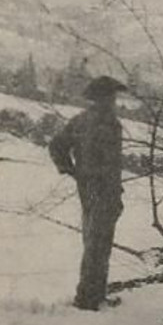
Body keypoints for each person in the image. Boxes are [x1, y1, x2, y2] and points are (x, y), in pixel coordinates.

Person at [49, 76, 127, 310]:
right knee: (98, 243)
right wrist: (72, 170)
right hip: (101, 189)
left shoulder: (80, 121)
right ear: (103, 98)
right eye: (111, 96)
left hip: (92, 188)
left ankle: (93, 296)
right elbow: (58, 147)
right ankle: (88, 298)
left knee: (95, 242)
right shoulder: (107, 123)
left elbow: (56, 146)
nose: (114, 101)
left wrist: (72, 171)